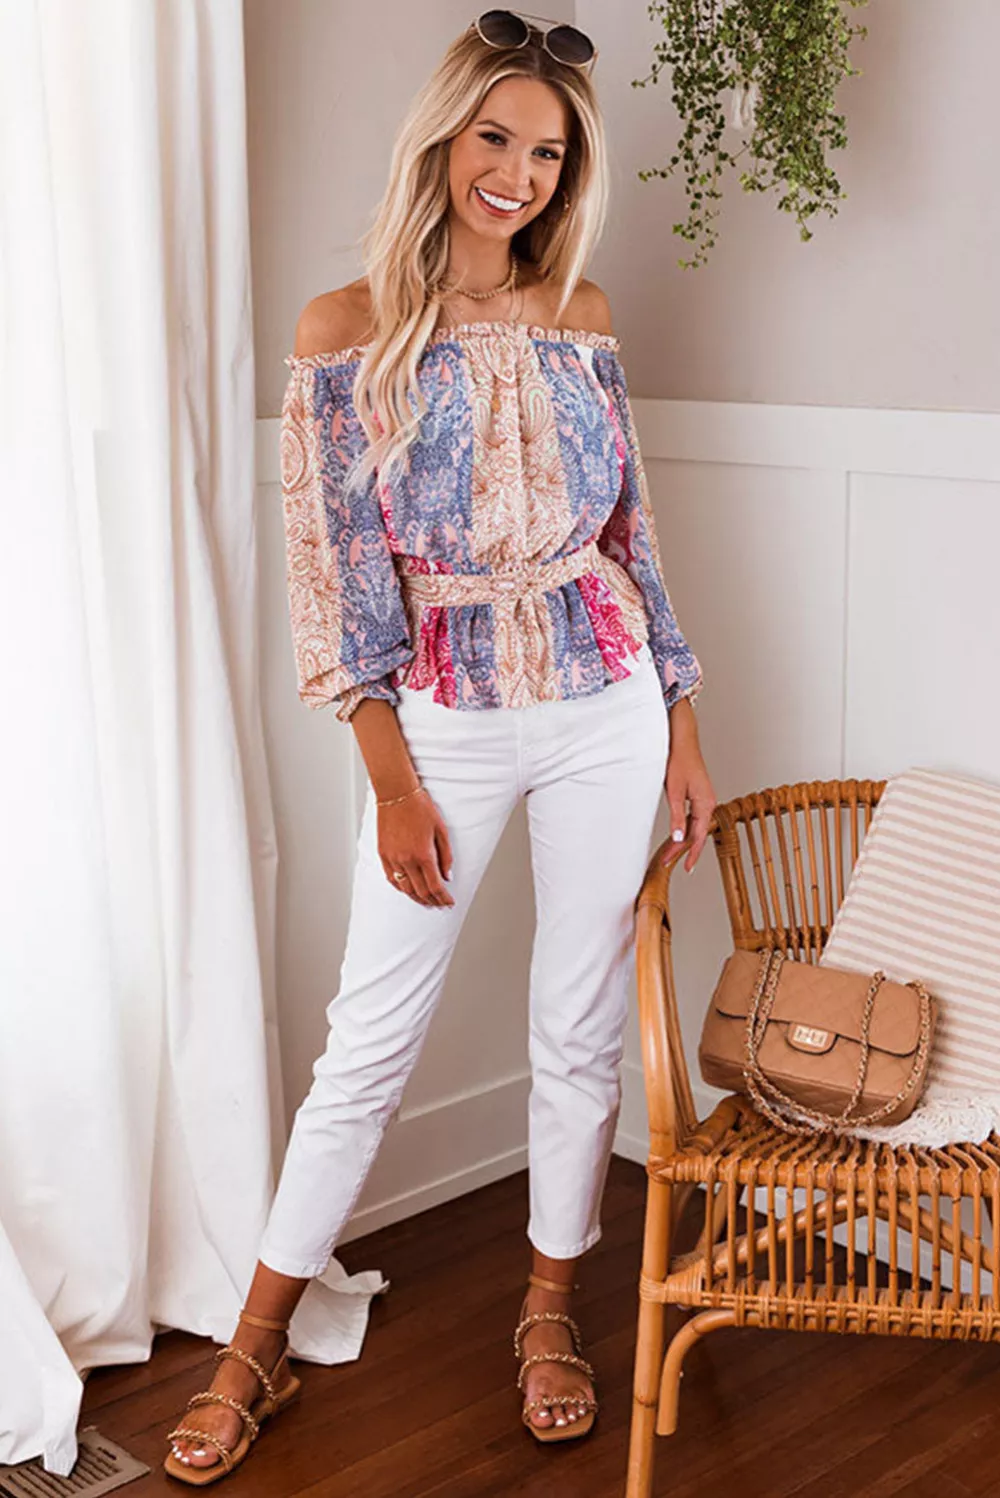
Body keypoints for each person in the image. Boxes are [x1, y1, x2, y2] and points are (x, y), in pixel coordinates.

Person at [164, 9, 715, 1483]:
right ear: (443, 137)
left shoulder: (582, 316)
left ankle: (548, 1311)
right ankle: (253, 1345)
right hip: (443, 722)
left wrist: (681, 722)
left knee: (577, 1022)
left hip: (606, 700)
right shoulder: (341, 331)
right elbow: (335, 582)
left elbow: (633, 541)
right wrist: (392, 779)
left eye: (549, 153)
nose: (519, 174)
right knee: (370, 1039)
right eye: (497, 138)